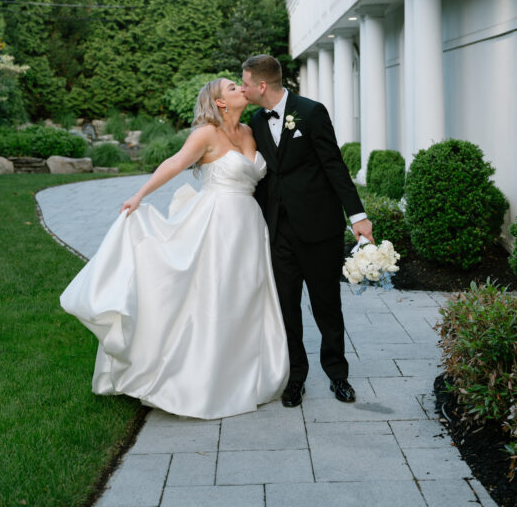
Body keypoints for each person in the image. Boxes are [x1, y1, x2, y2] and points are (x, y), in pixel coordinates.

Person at [59, 78, 289, 420]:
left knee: (247, 297)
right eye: (231, 87)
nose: (241, 89)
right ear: (220, 102)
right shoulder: (206, 134)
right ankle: (201, 381)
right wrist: (139, 196)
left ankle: (246, 376)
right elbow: (175, 163)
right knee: (215, 297)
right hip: (217, 224)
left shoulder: (251, 132)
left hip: (249, 226)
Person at [241, 54, 373, 408]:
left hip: (319, 228)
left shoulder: (311, 112)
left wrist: (357, 216)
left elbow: (334, 166)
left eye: (245, 83)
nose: (243, 89)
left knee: (326, 305)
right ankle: (295, 377)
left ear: (262, 85)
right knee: (286, 308)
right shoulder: (254, 120)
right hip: (279, 231)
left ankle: (337, 374)